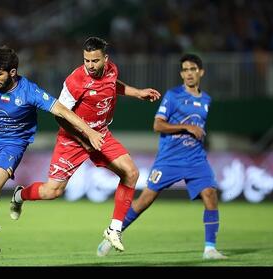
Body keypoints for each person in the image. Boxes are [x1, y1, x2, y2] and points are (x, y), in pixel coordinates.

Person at [9, 37, 161, 252]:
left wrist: (137, 93)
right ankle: (19, 195)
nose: (90, 65)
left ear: (105, 59)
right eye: (86, 60)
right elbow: (60, 116)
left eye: (95, 61)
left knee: (131, 173)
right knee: (52, 191)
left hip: (100, 134)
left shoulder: (111, 70)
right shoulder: (75, 81)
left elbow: (112, 85)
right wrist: (85, 137)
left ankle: (114, 229)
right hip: (72, 140)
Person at [0, 45, 104, 249]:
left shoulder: (29, 91)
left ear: (12, 73)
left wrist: (90, 132)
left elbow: (62, 111)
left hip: (12, 146)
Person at [96, 54, 228, 260]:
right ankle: (112, 234)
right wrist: (186, 127)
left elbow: (198, 128)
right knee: (144, 201)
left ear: (200, 72)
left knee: (210, 195)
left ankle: (210, 249)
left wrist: (197, 134)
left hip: (195, 158)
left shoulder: (206, 100)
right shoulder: (173, 95)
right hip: (169, 159)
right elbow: (158, 125)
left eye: (192, 69)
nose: (189, 73)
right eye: (185, 70)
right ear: (181, 74)